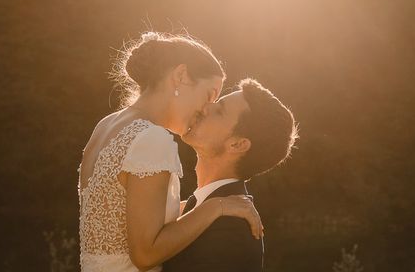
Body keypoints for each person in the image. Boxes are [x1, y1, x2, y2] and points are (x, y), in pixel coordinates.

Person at [78, 32, 263, 272]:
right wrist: (216, 207)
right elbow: (145, 255)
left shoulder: (107, 125)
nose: (205, 110)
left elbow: (124, 216)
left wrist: (196, 205)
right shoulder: (152, 139)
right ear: (180, 76)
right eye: (209, 95)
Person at [163, 78, 298, 272]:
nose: (205, 107)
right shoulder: (201, 207)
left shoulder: (230, 230)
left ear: (237, 145)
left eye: (219, 111)